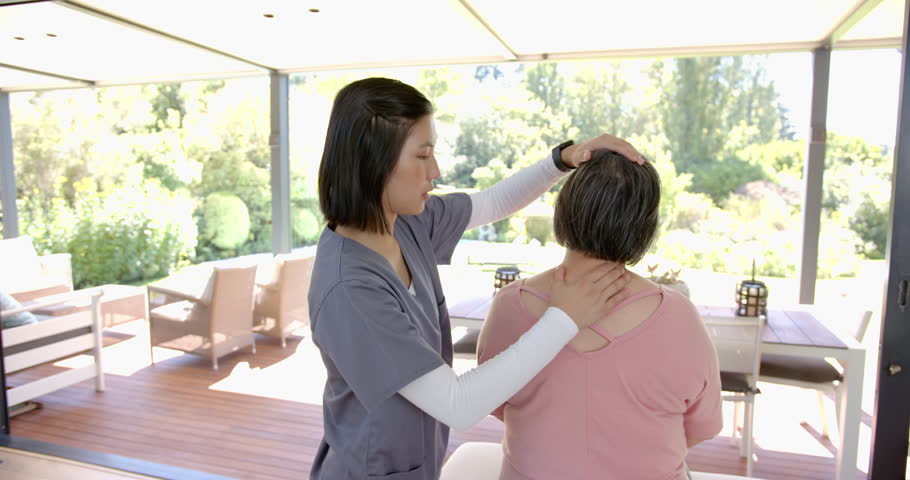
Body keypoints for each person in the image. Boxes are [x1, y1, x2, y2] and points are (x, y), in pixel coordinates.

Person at [307, 77, 645, 480]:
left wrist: (563, 159)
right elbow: (459, 405)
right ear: (372, 164)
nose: (435, 170)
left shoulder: (406, 224)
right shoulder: (351, 290)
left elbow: (493, 201)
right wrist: (565, 317)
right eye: (422, 155)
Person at [477, 149, 723, 480]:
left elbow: (495, 403)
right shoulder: (679, 316)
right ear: (645, 226)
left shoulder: (510, 305)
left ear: (564, 209)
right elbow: (700, 428)